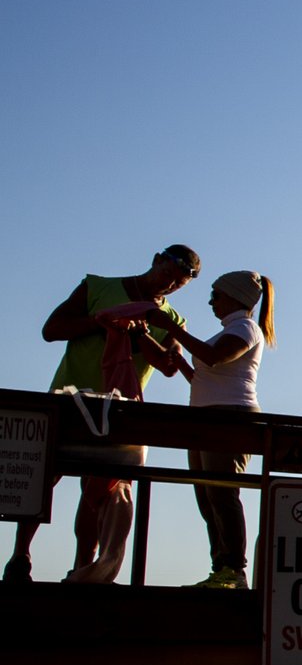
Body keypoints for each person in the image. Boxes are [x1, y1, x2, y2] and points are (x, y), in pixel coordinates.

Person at [6, 246, 196, 586]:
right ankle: (21, 555)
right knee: (42, 478)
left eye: (177, 284)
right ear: (155, 260)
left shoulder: (170, 319)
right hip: (69, 397)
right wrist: (102, 322)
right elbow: (52, 329)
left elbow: (169, 365)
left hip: (118, 409)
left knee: (98, 490)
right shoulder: (97, 288)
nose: (168, 285)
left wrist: (140, 333)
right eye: (167, 275)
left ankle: (83, 567)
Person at [166, 270, 274, 590]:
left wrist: (172, 329)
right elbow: (207, 375)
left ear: (235, 297)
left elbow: (213, 358)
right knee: (208, 496)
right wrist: (179, 356)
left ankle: (233, 570)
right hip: (209, 418)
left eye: (216, 295)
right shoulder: (232, 329)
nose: (211, 301)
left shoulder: (244, 328)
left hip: (230, 417)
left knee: (222, 493)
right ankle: (221, 568)